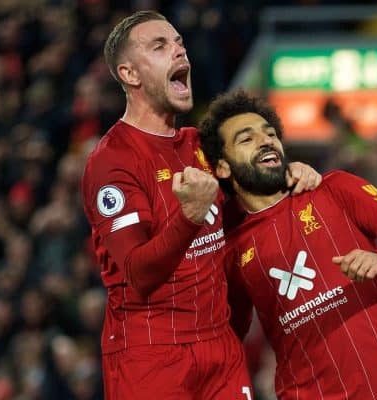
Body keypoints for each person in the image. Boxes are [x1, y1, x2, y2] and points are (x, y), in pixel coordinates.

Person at [81, 10, 320, 400]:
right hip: (151, 354)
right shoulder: (113, 161)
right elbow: (138, 274)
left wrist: (292, 175)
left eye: (180, 44)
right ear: (130, 75)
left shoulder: (199, 144)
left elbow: (253, 201)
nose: (180, 53)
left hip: (219, 346)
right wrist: (189, 217)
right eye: (160, 46)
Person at [199, 89, 377, 400]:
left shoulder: (336, 188)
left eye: (271, 133)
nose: (265, 141)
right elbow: (229, 334)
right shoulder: (230, 247)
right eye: (246, 139)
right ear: (222, 167)